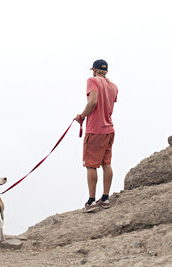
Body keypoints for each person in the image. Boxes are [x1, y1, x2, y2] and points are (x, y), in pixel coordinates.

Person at [75, 59, 118, 213]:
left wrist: (81, 116)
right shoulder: (114, 86)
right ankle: (105, 198)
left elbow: (93, 102)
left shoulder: (92, 81)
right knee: (106, 163)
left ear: (94, 69)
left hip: (95, 130)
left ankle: (91, 201)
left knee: (91, 165)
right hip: (109, 129)